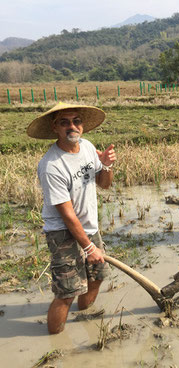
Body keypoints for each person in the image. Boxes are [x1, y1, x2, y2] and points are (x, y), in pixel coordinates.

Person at [27, 102, 116, 334]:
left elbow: (104, 185)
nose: (72, 126)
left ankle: (84, 319)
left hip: (89, 227)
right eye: (64, 122)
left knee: (97, 277)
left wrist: (106, 166)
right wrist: (88, 248)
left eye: (76, 121)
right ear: (55, 128)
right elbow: (66, 214)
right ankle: (55, 345)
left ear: (82, 126)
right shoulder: (51, 165)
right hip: (63, 233)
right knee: (67, 292)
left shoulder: (87, 147)